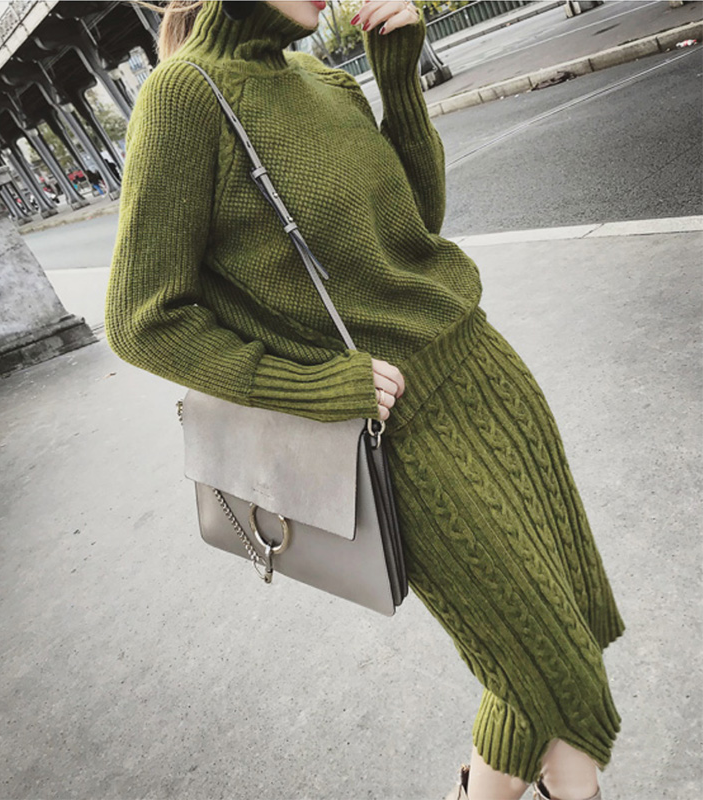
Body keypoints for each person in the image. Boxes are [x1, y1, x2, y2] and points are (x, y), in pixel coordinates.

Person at [104, 2, 626, 799]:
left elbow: (415, 227)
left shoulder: (321, 78)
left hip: (485, 374)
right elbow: (141, 318)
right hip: (403, 432)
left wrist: (399, 78)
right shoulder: (184, 96)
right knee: (545, 665)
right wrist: (311, 387)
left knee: (564, 624)